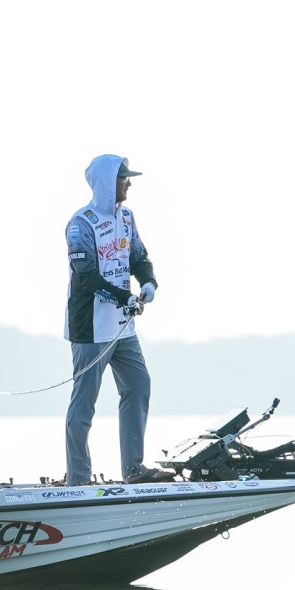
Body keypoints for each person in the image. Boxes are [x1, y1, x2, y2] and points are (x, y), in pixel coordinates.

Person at [63, 154, 173, 485]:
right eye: (124, 178)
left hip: (123, 329)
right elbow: (86, 276)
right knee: (85, 402)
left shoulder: (127, 217)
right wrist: (125, 297)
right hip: (90, 328)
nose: (129, 184)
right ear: (108, 183)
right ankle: (78, 479)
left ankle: (134, 469)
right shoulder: (80, 224)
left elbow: (139, 256)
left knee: (138, 385)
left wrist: (149, 282)